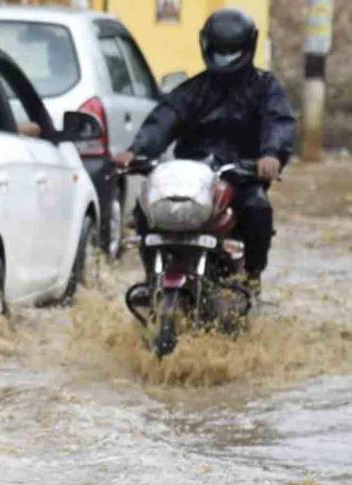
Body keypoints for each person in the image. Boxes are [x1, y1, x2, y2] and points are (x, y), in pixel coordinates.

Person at [113, 8, 296, 292]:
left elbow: (279, 122)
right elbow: (164, 119)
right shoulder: (192, 90)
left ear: (248, 47)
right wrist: (136, 151)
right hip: (192, 176)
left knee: (258, 208)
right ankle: (153, 277)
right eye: (220, 50)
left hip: (240, 176)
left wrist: (271, 154)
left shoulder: (265, 87)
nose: (225, 57)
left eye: (231, 51)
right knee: (145, 206)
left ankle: (250, 277)